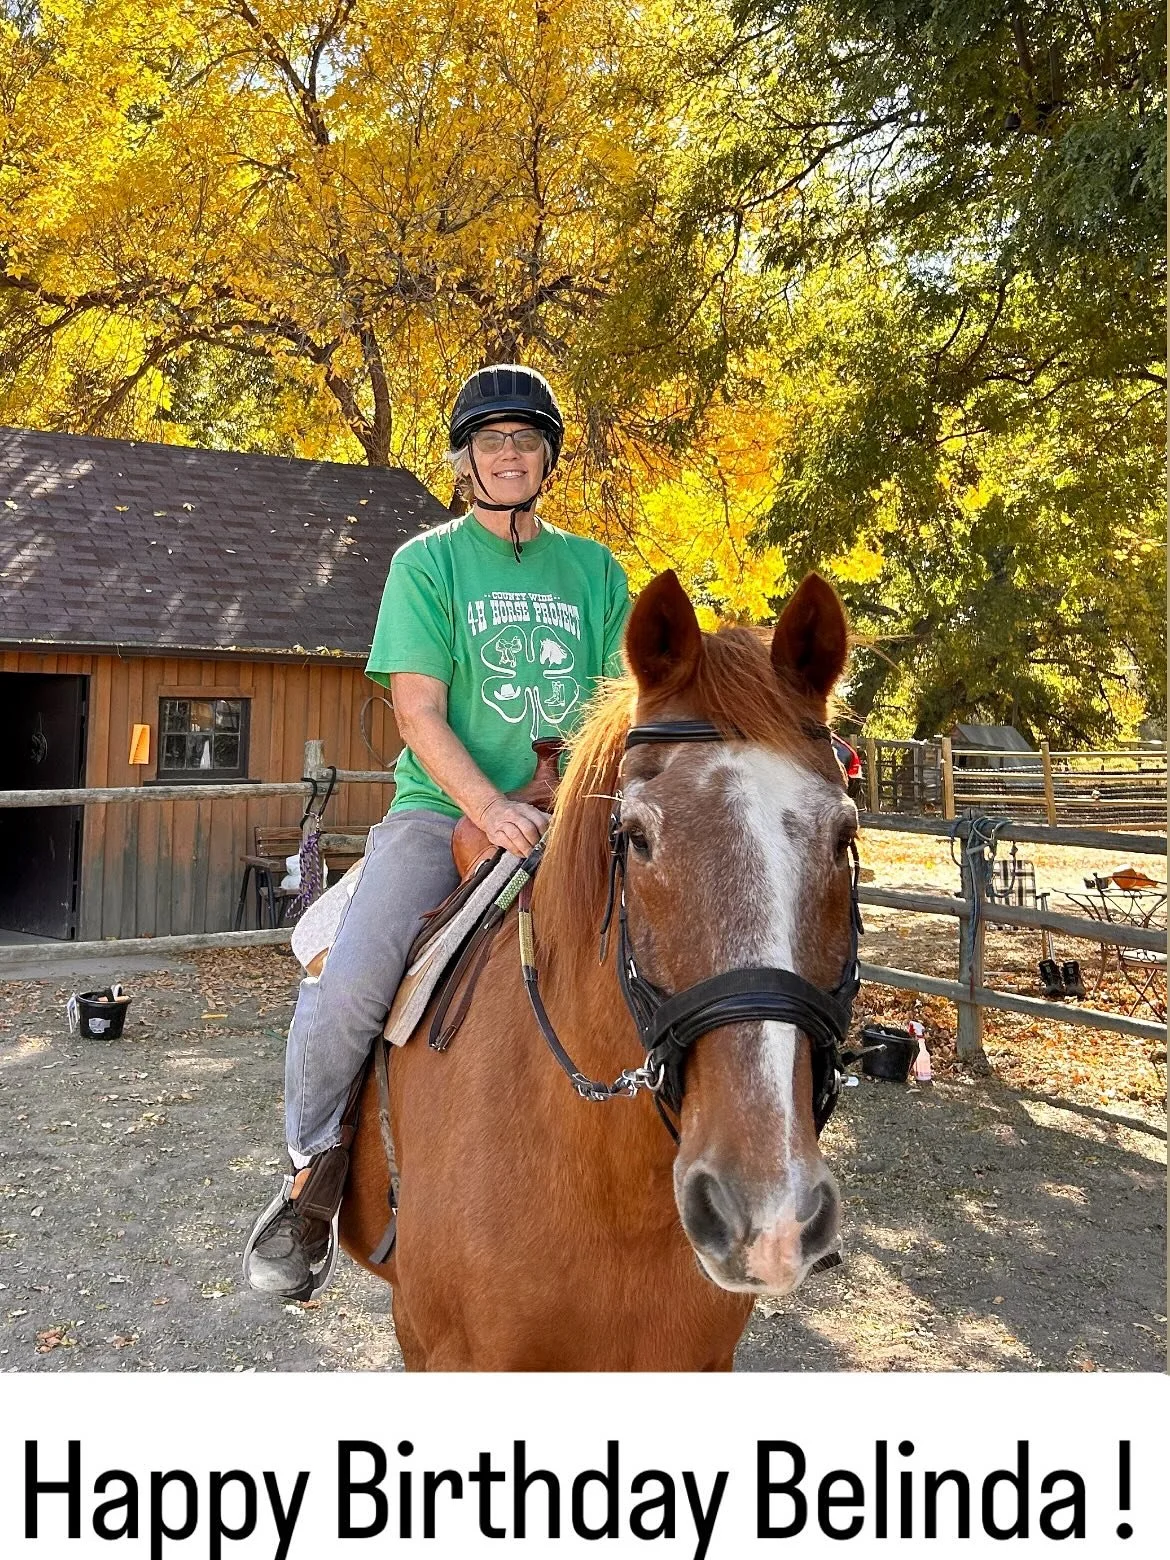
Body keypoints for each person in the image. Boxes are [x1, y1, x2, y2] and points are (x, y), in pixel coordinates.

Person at [243, 364, 631, 1300]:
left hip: (574, 811)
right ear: (465, 460)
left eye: (526, 439)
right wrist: (490, 808)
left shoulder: (597, 571)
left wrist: (569, 800)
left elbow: (627, 704)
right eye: (492, 440)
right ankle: (310, 1178)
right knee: (352, 984)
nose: (510, 454)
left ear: (548, 459)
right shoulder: (427, 564)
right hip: (441, 811)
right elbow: (417, 711)